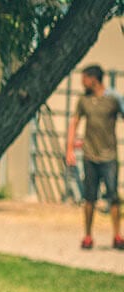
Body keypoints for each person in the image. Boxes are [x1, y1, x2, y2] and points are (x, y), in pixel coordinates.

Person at [66, 64, 124, 250]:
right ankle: (88, 236)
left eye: (84, 79)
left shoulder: (113, 100)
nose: (82, 82)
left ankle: (117, 235)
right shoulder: (84, 101)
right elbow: (74, 122)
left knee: (113, 196)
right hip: (90, 155)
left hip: (109, 156)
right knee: (89, 197)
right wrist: (69, 149)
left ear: (93, 79)